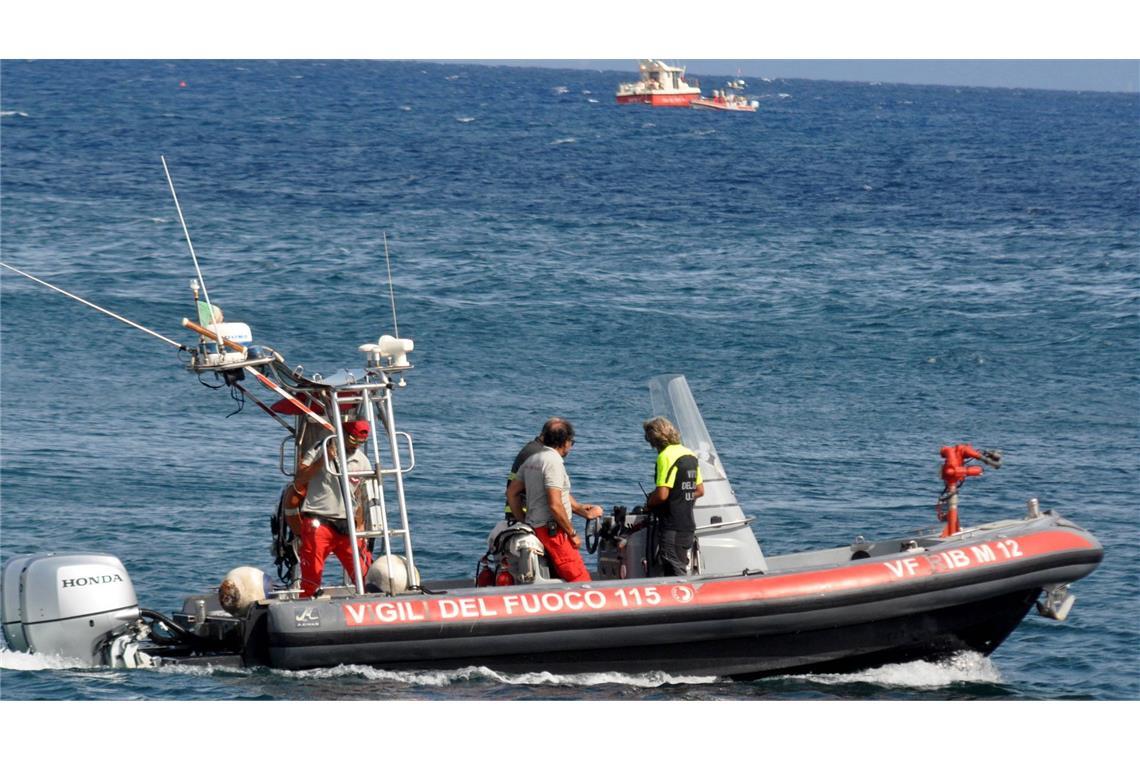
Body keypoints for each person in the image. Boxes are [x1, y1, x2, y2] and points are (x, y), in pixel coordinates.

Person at [506, 419, 603, 582]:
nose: (571, 446)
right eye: (571, 442)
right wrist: (572, 534)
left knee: (556, 575)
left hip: (535, 527)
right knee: (579, 579)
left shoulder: (533, 460)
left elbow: (511, 493)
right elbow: (555, 504)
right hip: (553, 532)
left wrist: (523, 521)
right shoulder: (554, 463)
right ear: (565, 442)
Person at [292, 419, 374, 598]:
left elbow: (360, 495)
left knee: (364, 572)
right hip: (319, 521)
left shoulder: (363, 462)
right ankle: (307, 608)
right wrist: (323, 460)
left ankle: (368, 604)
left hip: (348, 526)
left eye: (360, 442)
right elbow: (299, 478)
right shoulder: (319, 448)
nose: (356, 446)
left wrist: (360, 524)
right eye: (353, 441)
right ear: (342, 436)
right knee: (311, 575)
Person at [643, 416, 704, 576]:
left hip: (672, 526)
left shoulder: (665, 456)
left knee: (674, 570)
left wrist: (649, 502)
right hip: (687, 525)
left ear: (653, 439)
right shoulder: (689, 454)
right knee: (680, 564)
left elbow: (662, 495)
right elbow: (699, 490)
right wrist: (680, 497)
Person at [503, 417, 568, 518]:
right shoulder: (540, 455)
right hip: (525, 515)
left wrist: (579, 508)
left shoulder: (535, 449)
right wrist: (523, 522)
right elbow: (554, 497)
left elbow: (556, 489)